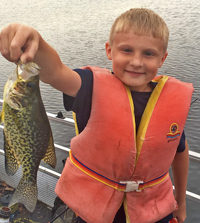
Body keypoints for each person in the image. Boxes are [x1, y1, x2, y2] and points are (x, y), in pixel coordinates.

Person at [0, 8, 193, 223]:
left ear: (162, 58)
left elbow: (179, 150)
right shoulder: (90, 87)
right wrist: (35, 41)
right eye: (127, 50)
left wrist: (181, 201)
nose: (137, 62)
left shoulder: (168, 104)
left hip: (155, 212)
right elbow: (55, 72)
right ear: (109, 51)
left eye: (148, 53)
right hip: (93, 212)